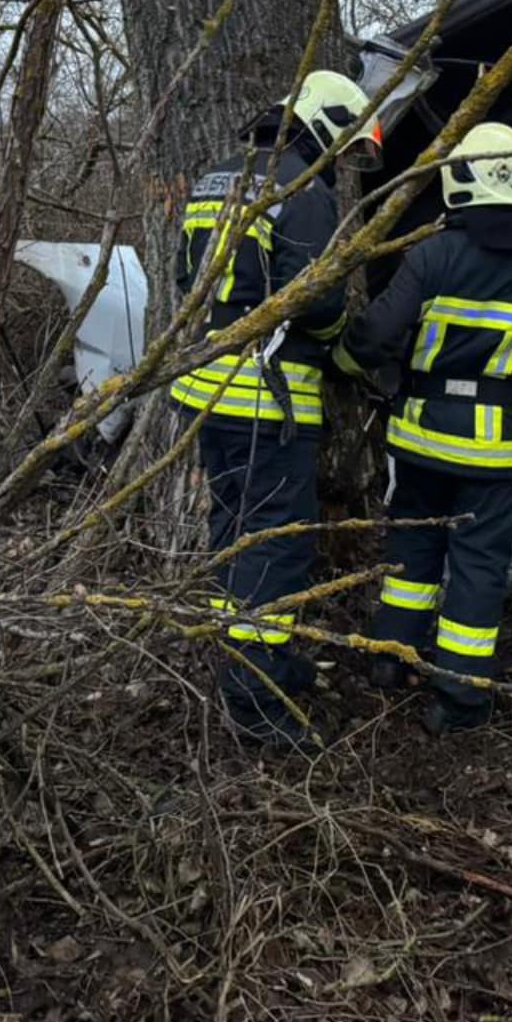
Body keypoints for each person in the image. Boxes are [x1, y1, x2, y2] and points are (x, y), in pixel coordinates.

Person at [334, 122, 512, 733]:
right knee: (479, 566)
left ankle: (390, 661)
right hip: (497, 452)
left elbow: (376, 334)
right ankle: (460, 697)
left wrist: (343, 364)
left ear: (461, 179)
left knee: (412, 548)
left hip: (423, 439)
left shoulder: (433, 254)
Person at [170, 69, 380, 748]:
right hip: (267, 398)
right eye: (346, 149)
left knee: (234, 534)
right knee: (277, 546)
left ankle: (254, 661)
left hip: (206, 389)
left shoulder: (216, 175)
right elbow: (314, 301)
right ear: (327, 125)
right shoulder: (303, 189)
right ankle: (254, 698)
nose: (342, 165)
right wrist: (334, 340)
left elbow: (185, 279)